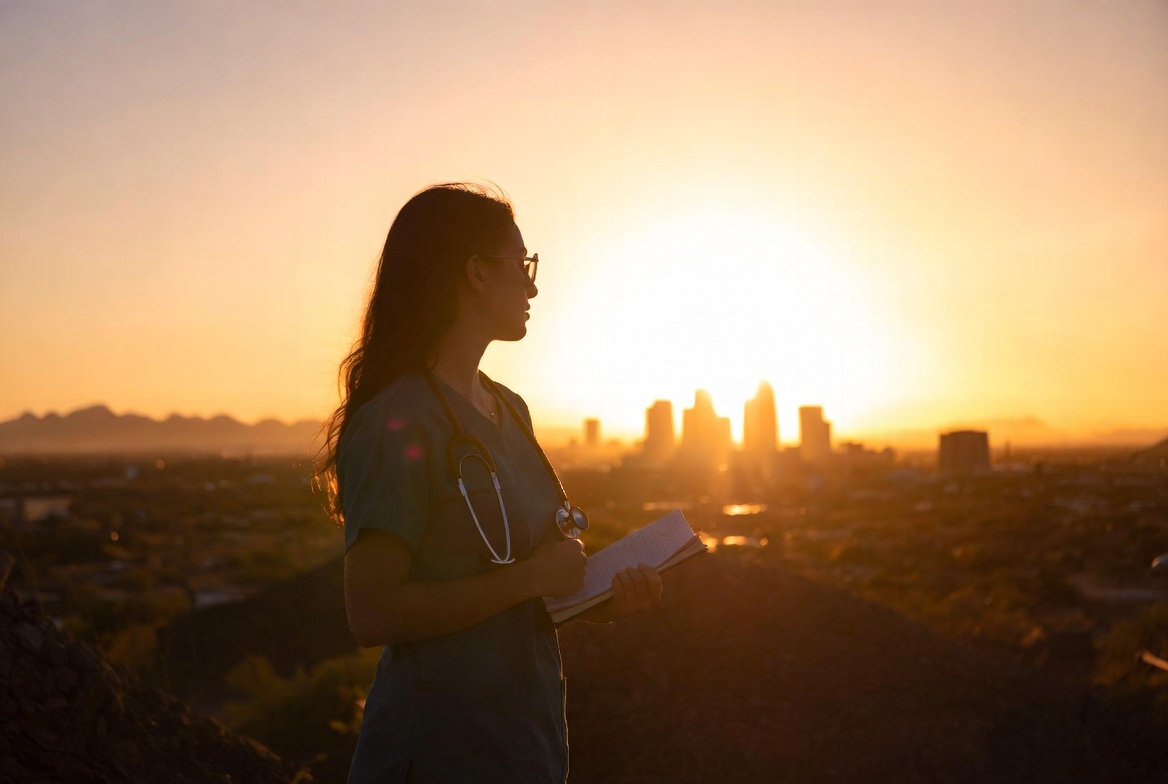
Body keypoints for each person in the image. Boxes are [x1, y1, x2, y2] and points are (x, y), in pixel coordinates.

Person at [316, 183, 664, 783]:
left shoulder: (509, 409)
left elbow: (520, 588)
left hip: (524, 749)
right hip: (437, 755)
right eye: (522, 265)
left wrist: (597, 597)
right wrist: (529, 578)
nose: (531, 286)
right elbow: (371, 614)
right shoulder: (397, 421)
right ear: (476, 273)